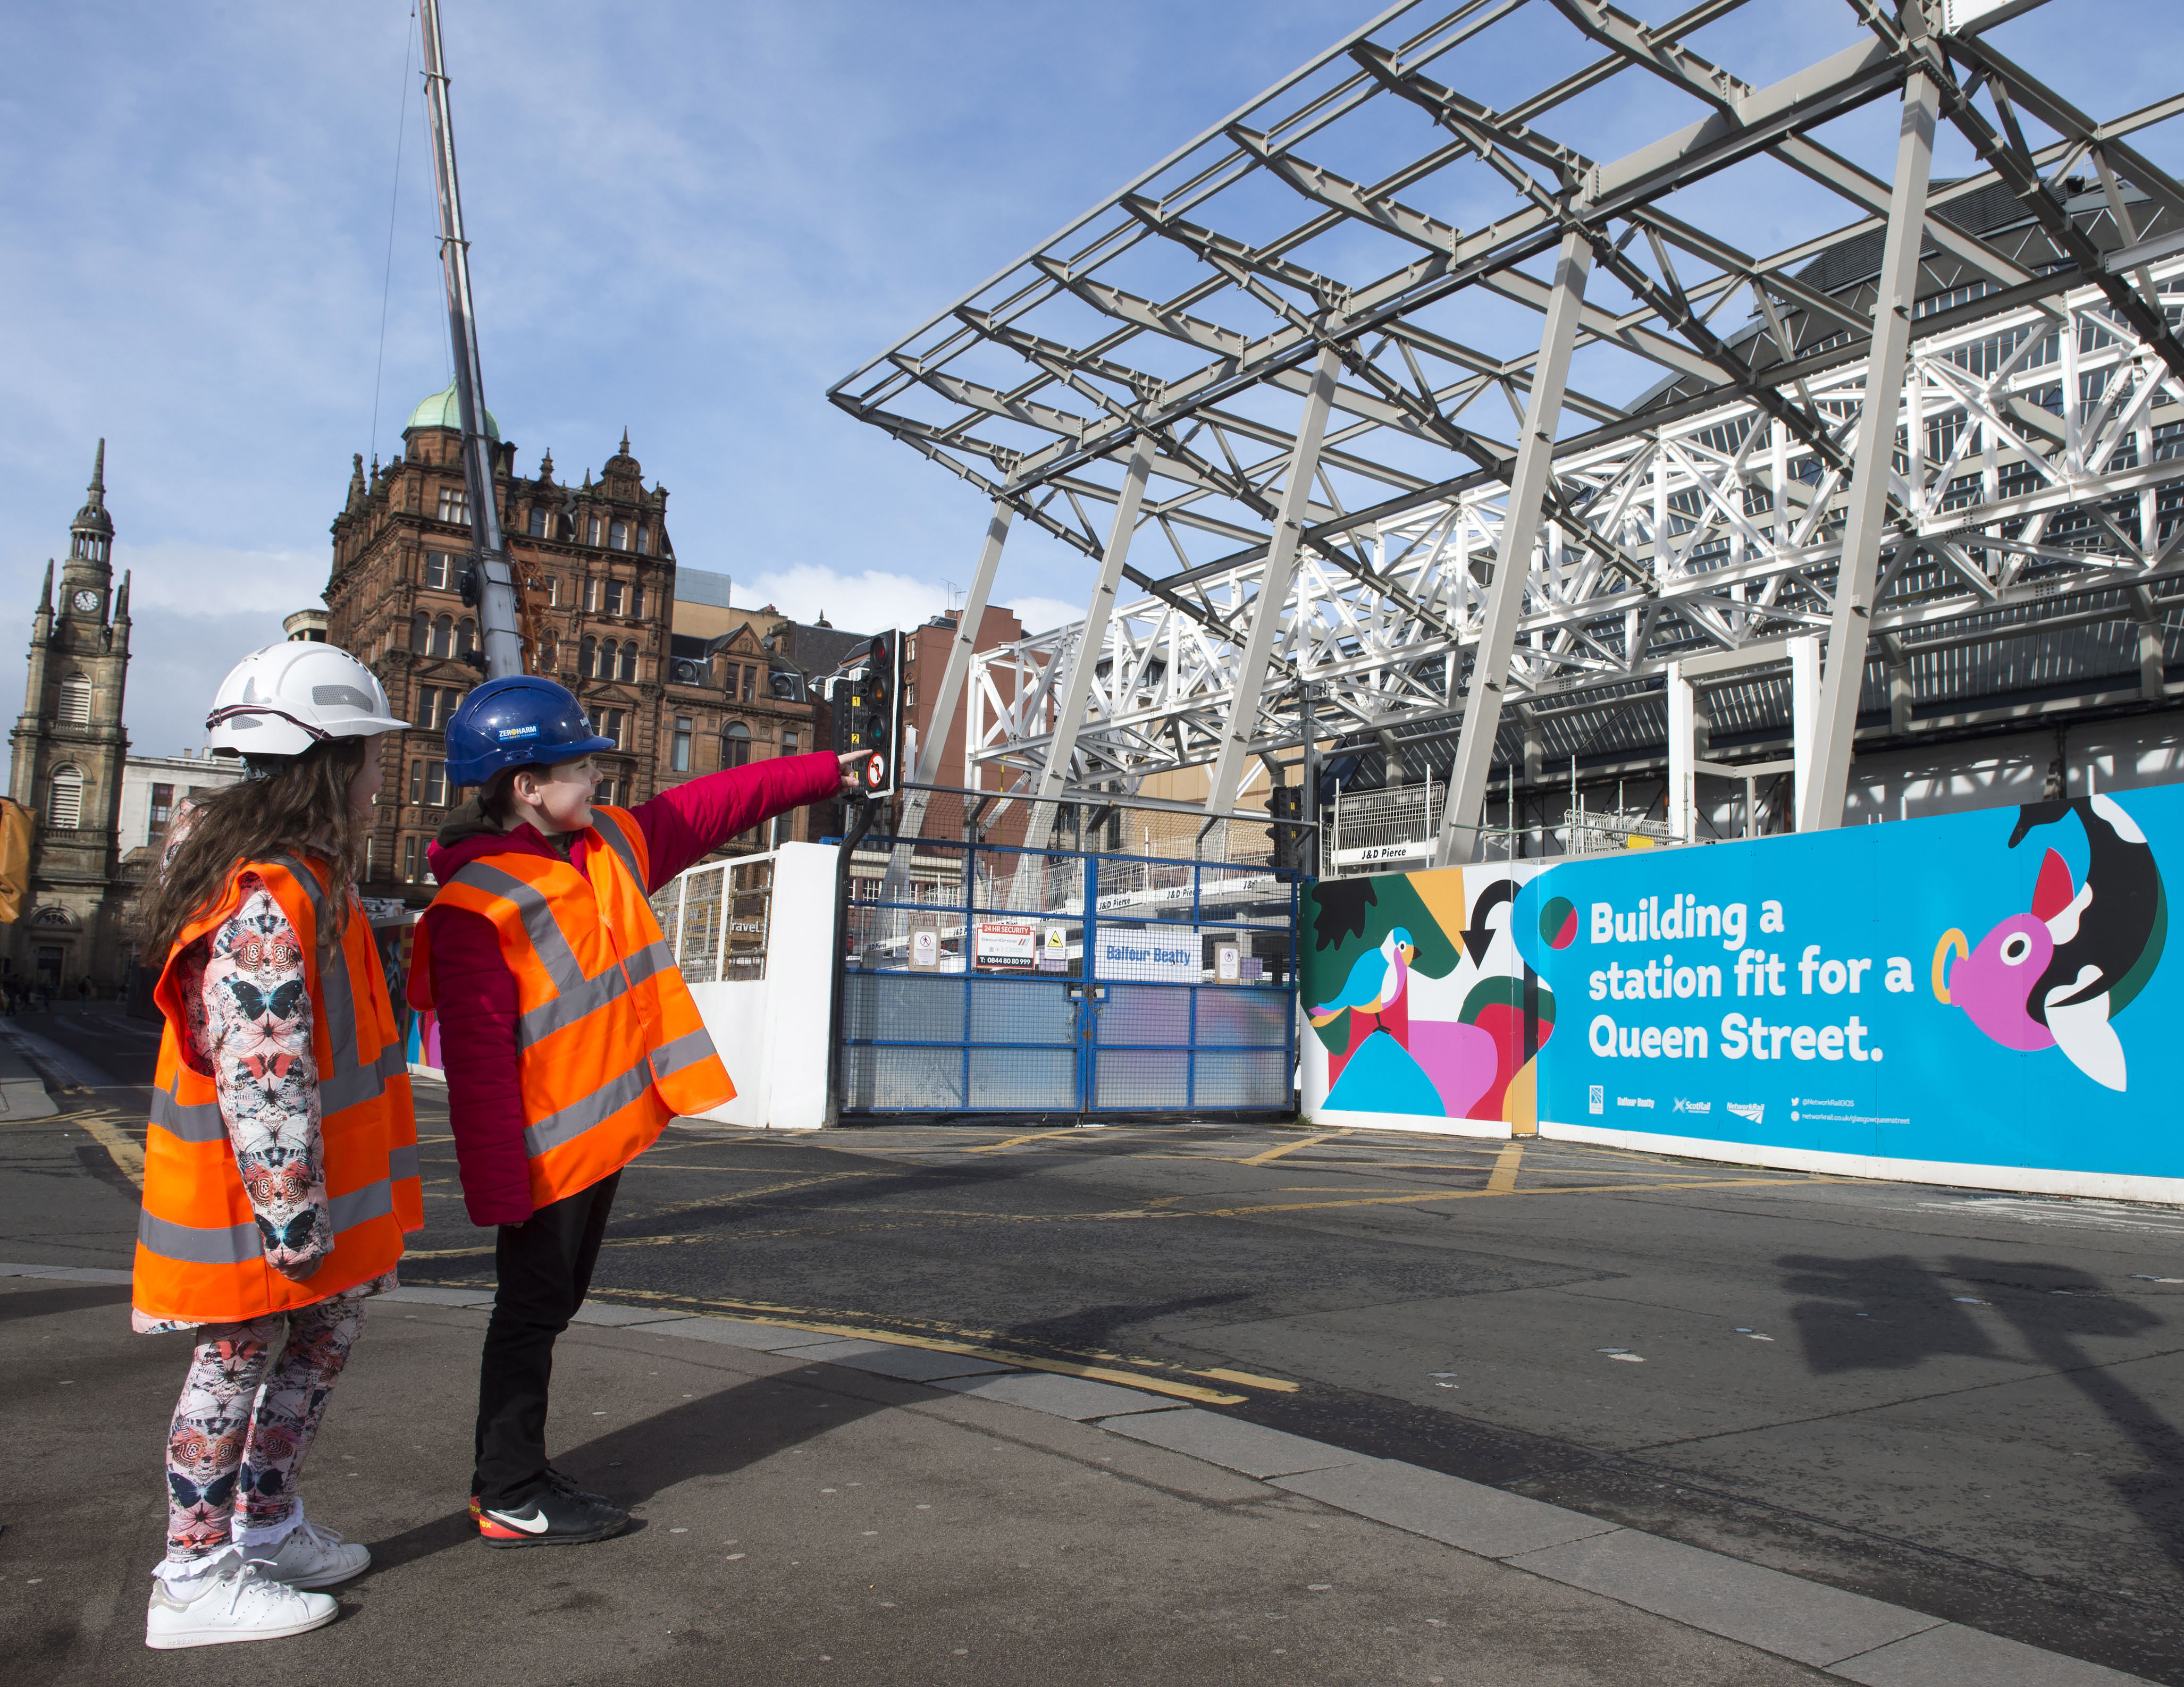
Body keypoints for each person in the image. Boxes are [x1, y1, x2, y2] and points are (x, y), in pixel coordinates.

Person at [412, 676, 854, 1547]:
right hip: (542, 1153)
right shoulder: (472, 906)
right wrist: (498, 1183)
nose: (597, 778)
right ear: (524, 787)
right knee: (532, 1309)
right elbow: (477, 1060)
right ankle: (508, 1487)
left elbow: (715, 802)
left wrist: (828, 771)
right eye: (578, 766)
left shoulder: (608, 844)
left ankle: (514, 1475)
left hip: (600, 1138)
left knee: (551, 1304)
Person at [132, 643, 421, 1648]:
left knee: (322, 1336)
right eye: (371, 760)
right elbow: (265, 1070)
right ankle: (193, 1573)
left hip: (300, 1190)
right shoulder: (268, 893)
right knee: (236, 1355)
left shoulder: (307, 877)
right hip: (260, 1194)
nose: (383, 783)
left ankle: (261, 1524)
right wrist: (292, 1212)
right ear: (326, 764)